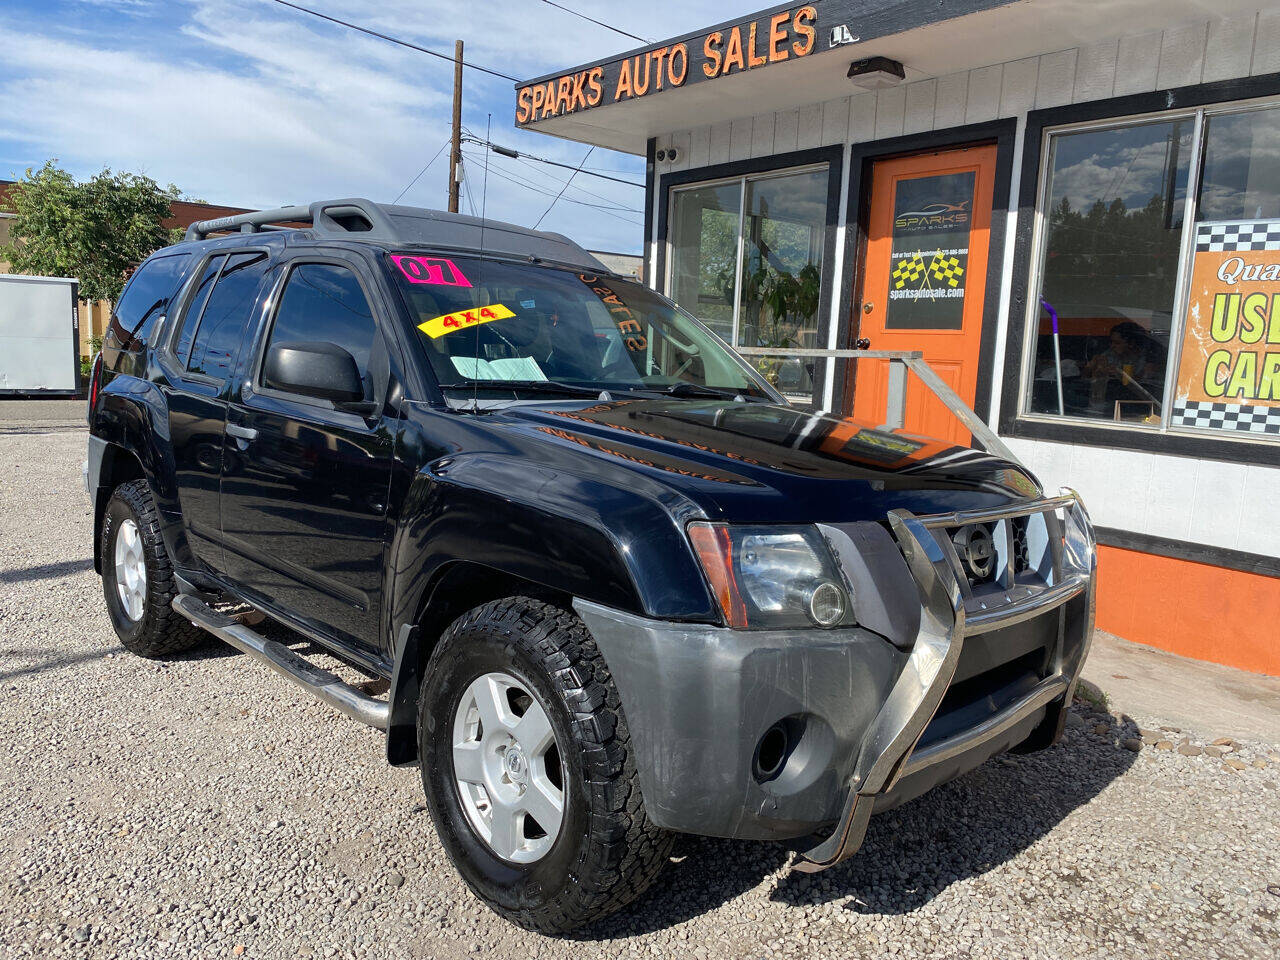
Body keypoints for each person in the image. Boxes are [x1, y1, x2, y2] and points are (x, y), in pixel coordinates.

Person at [1084, 321, 1159, 409]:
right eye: (1111, 342)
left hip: (1135, 404)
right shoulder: (1110, 354)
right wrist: (1091, 367)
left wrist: (1120, 374)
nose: (1112, 346)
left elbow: (1144, 391)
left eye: (1117, 343)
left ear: (1131, 343)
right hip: (1108, 399)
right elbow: (1087, 377)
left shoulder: (1147, 360)